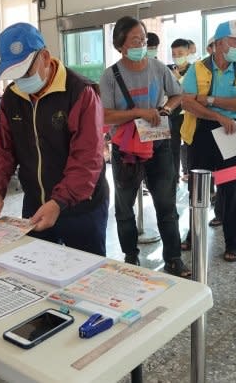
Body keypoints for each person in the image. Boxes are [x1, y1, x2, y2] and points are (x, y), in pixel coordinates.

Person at [0, 22, 109, 256]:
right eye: (14, 75)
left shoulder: (79, 92)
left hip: (80, 205)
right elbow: (3, 149)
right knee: (37, 268)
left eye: (25, 71)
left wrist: (60, 201)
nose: (21, 81)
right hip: (36, 203)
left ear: (45, 57)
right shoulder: (12, 97)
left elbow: (88, 158)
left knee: (85, 271)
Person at [100, 16, 189, 276]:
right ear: (120, 44)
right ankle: (130, 256)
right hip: (126, 149)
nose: (142, 44)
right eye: (135, 40)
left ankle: (173, 258)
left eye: (144, 39)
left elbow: (177, 95)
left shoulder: (159, 68)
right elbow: (105, 115)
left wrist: (165, 109)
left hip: (158, 144)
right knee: (125, 206)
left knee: (166, 203)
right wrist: (138, 111)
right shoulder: (110, 76)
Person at [180, 20, 236, 262]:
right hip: (200, 131)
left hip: (232, 131)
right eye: (235, 40)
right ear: (219, 42)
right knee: (198, 188)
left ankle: (233, 242)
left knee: (233, 189)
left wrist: (210, 99)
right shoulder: (198, 68)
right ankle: (194, 233)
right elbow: (187, 102)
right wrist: (217, 116)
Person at [169, 38, 192, 184]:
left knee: (190, 147)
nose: (177, 56)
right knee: (173, 148)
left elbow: (191, 91)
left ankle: (189, 175)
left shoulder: (196, 69)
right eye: (174, 54)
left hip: (190, 115)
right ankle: (174, 179)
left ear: (188, 52)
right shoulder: (168, 69)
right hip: (173, 115)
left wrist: (180, 79)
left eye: (180, 53)